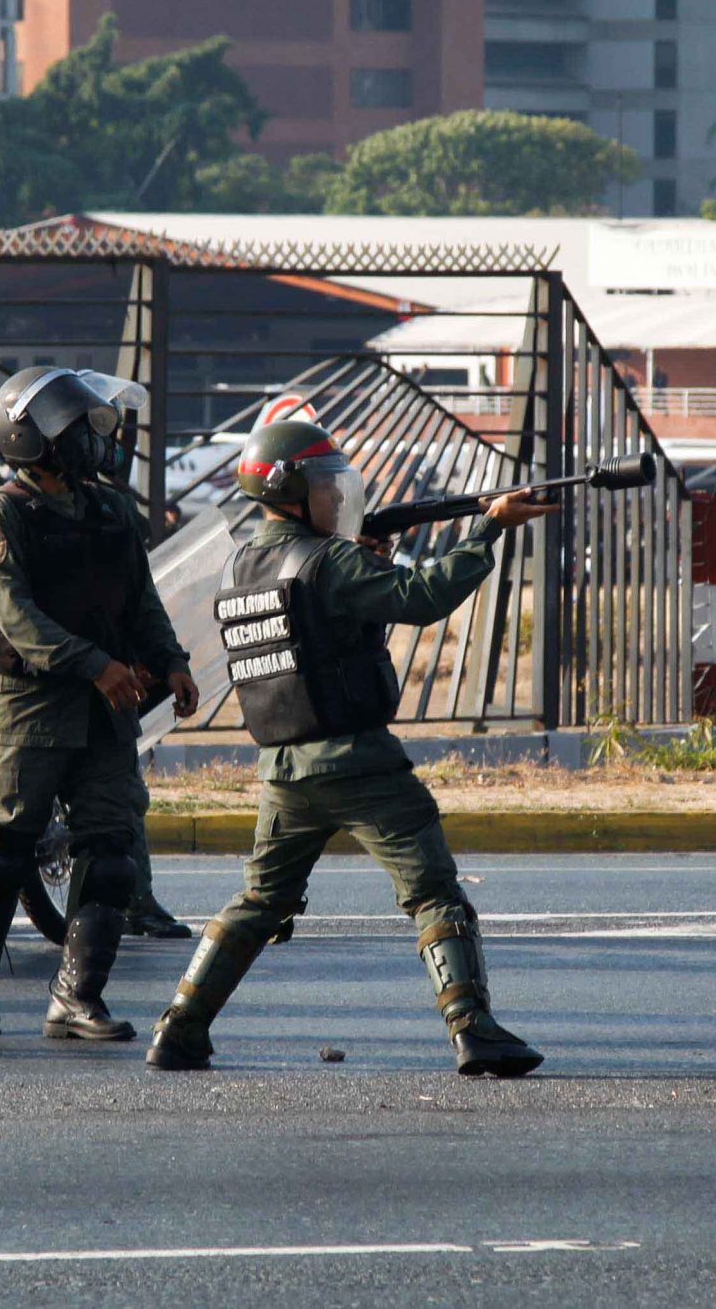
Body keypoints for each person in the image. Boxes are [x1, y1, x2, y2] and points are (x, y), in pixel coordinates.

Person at [147, 418, 553, 1078]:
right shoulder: (331, 560)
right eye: (324, 486)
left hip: (283, 768)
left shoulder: (242, 563)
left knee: (259, 902)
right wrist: (487, 530)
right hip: (359, 762)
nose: (338, 497)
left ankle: (178, 1029)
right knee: (433, 892)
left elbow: (319, 634)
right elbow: (423, 599)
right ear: (290, 490)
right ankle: (473, 1030)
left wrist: (368, 556)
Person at [0, 367, 198, 1041]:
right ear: (33, 440)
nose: (93, 440)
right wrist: (95, 665)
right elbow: (16, 617)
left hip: (106, 709)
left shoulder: (112, 509)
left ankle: (76, 998)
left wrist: (173, 662)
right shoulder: (1, 515)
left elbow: (141, 601)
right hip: (32, 711)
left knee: (111, 852)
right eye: (75, 429)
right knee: (3, 852)